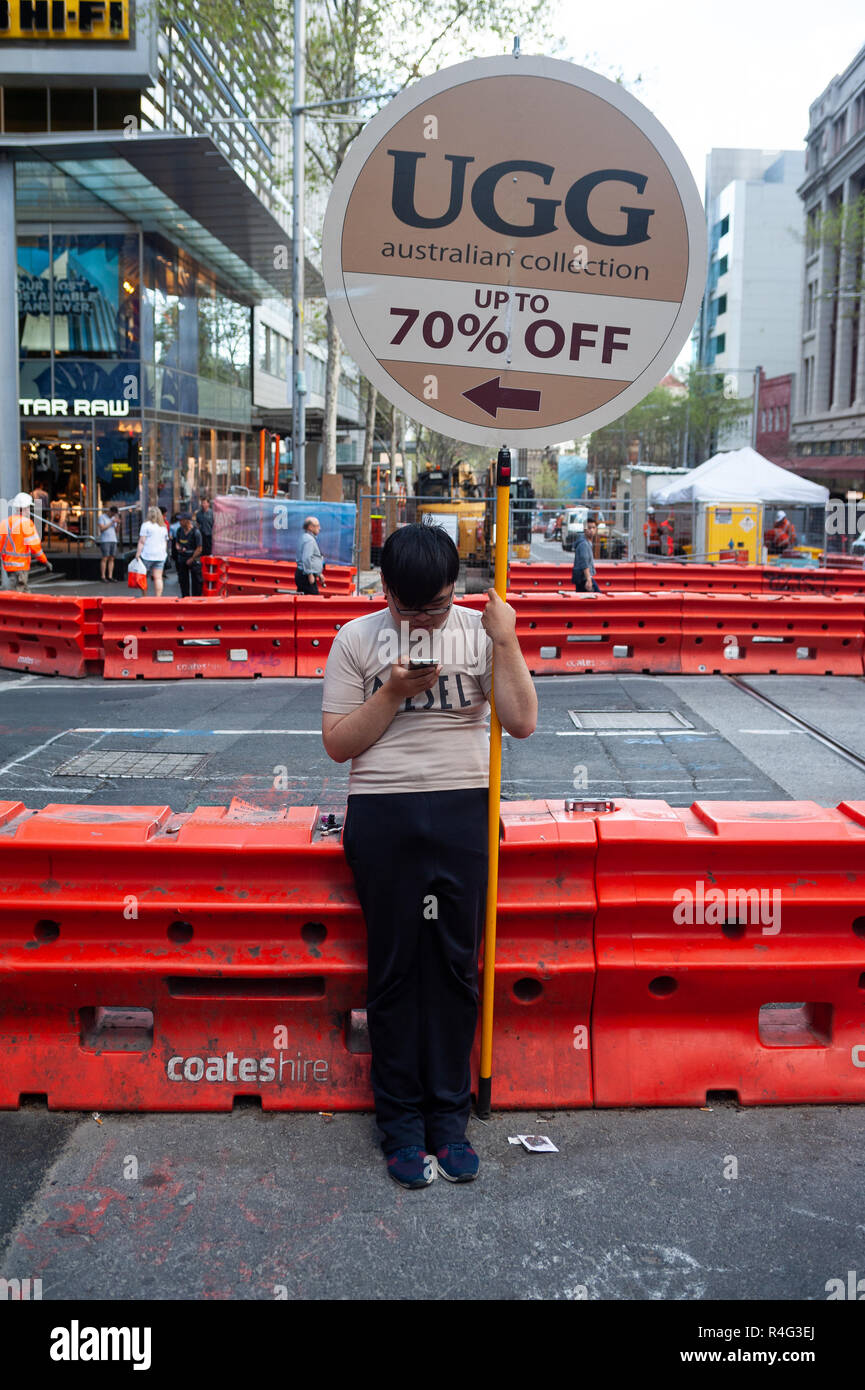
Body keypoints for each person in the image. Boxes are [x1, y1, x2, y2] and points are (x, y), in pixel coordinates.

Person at [322, 523, 537, 1190]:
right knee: (392, 973)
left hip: (463, 808)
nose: (421, 621)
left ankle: (449, 1119)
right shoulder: (356, 638)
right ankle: (400, 1125)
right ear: (382, 588)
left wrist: (504, 640)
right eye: (408, 609)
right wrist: (391, 693)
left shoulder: (481, 628)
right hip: (384, 812)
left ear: (456, 587)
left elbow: (521, 721)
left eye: (436, 607)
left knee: (453, 967)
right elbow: (337, 744)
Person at [0, 492, 53, 590]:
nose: (29, 510)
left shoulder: (5, 523)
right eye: (28, 507)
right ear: (24, 508)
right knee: (21, 593)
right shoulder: (26, 523)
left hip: (8, 565)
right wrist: (45, 561)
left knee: (16, 591)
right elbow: (35, 547)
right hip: (21, 565)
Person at [134, 506, 168, 597]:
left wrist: (138, 554)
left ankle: (145, 596)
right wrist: (164, 554)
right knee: (158, 578)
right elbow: (165, 542)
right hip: (160, 555)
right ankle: (158, 597)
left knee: (143, 577)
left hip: (147, 555)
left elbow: (142, 541)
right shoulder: (163, 527)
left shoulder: (146, 525)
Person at [174, 513, 203, 597]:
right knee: (183, 581)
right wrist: (178, 547)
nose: (179, 522)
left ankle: (196, 600)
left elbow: (199, 548)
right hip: (182, 558)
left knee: (196, 582)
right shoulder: (179, 530)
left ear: (187, 521)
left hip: (193, 559)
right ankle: (185, 598)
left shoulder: (196, 532)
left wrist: (192, 559)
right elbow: (177, 543)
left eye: (181, 520)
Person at [296, 515, 327, 594]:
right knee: (313, 602)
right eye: (317, 526)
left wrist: (319, 574)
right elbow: (306, 558)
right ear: (310, 527)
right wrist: (310, 574)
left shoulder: (305, 537)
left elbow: (312, 559)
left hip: (304, 574)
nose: (319, 528)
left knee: (305, 601)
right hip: (306, 576)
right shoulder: (309, 540)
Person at [572, 514, 601, 592]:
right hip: (583, 578)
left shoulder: (587, 542)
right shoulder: (584, 544)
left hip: (582, 578)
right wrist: (589, 580)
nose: (591, 530)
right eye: (589, 528)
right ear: (584, 529)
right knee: (598, 595)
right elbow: (584, 563)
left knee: (582, 600)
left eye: (593, 528)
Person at [98, 505, 120, 582]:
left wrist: (118, 524)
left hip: (113, 539)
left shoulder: (114, 518)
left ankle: (110, 576)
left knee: (112, 558)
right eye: (112, 514)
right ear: (110, 512)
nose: (113, 516)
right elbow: (102, 529)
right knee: (105, 558)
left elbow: (117, 531)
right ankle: (103, 576)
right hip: (105, 540)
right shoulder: (102, 517)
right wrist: (111, 522)